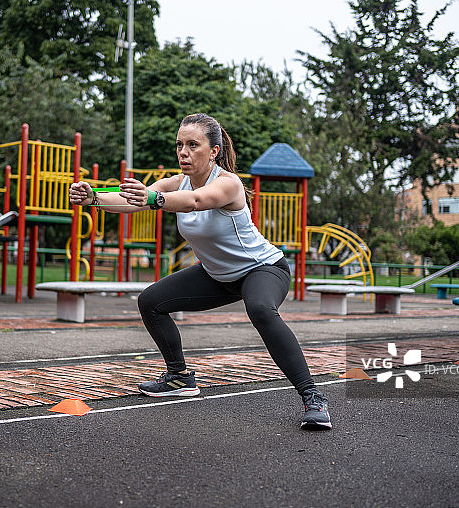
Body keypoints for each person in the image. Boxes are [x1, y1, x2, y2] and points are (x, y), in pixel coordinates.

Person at [68, 113, 331, 430]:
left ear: (214, 150)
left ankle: (313, 398)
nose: (183, 152)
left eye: (193, 145)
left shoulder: (227, 183)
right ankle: (179, 377)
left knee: (260, 309)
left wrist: (154, 197)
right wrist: (94, 198)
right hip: (218, 276)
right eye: (179, 145)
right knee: (150, 301)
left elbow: (194, 201)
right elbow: (132, 201)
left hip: (263, 269)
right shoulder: (173, 183)